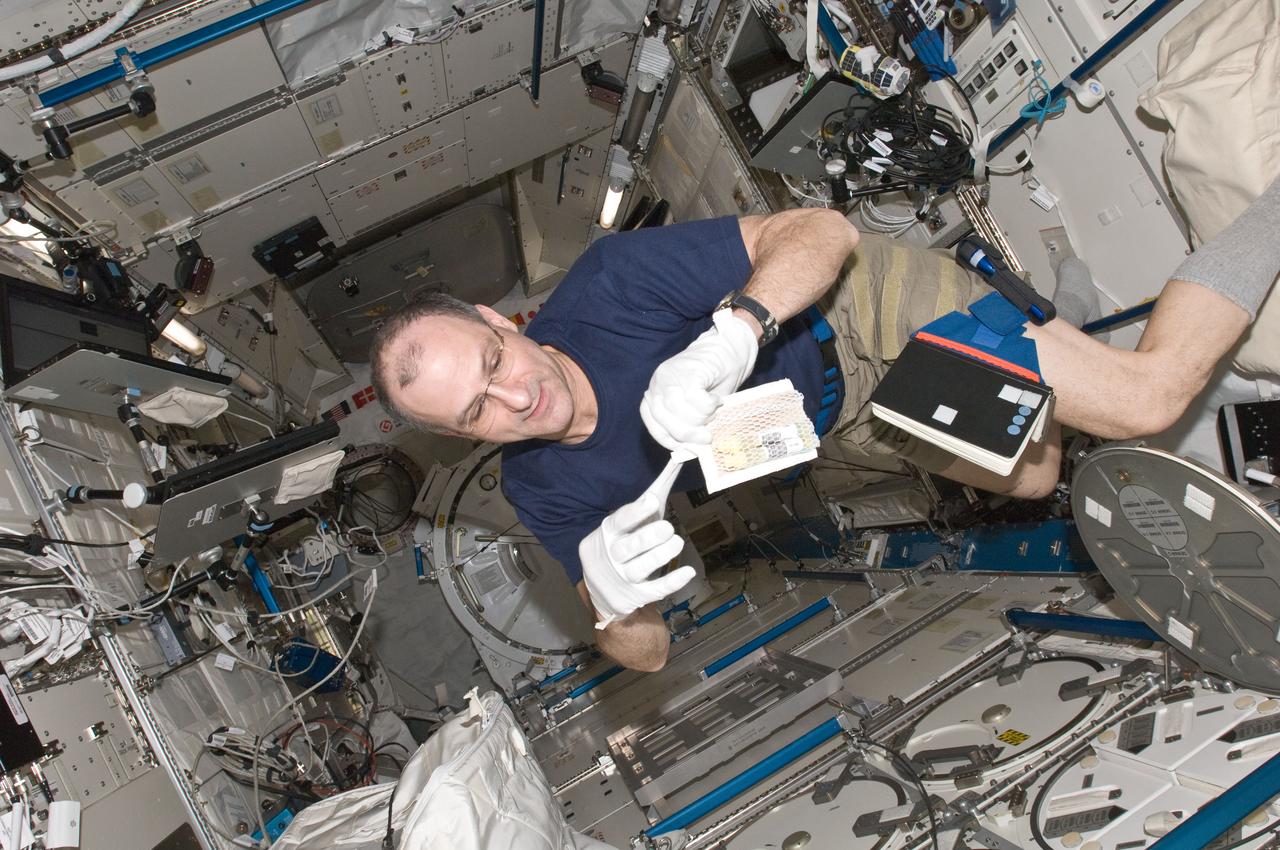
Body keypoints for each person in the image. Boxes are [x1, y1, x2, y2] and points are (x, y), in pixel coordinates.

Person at [371, 181, 1279, 672]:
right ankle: (1047, 349)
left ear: (500, 323)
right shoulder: (544, 489)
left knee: (1147, 402)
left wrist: (736, 330)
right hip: (840, 420)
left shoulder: (610, 285)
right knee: (1036, 479)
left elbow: (822, 232)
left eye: (494, 365)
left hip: (859, 314)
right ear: (462, 440)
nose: (514, 400)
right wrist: (610, 602)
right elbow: (646, 659)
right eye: (476, 412)